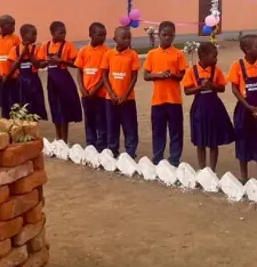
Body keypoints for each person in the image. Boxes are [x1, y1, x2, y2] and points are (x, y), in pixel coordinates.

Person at [228, 35, 257, 185]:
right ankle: (244, 177)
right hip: (244, 109)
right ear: (247, 49)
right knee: (243, 141)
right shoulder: (237, 66)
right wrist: (248, 107)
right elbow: (234, 88)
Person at [183, 42, 234, 171]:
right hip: (199, 107)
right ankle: (202, 169)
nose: (216, 59)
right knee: (200, 140)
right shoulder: (192, 71)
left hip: (214, 107)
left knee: (213, 140)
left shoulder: (216, 71)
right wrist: (200, 87)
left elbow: (222, 88)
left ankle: (212, 169)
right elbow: (187, 91)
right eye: (214, 56)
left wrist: (212, 85)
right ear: (204, 56)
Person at [143, 21, 187, 166]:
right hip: (158, 100)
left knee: (176, 132)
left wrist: (171, 75)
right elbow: (146, 76)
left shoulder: (179, 54)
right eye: (164, 35)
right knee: (158, 131)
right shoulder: (152, 54)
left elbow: (182, 75)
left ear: (174, 36)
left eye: (171, 35)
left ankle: (174, 159)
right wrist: (159, 75)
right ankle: (157, 159)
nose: (167, 38)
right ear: (158, 35)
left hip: (174, 100)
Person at [38, 21, 83, 143]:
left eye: (65, 33)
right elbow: (39, 64)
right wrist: (46, 62)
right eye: (60, 33)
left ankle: (65, 139)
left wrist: (61, 61)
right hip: (52, 81)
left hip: (64, 81)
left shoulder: (68, 46)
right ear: (52, 33)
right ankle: (58, 138)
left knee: (65, 110)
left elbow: (76, 63)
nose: (63, 35)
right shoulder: (45, 46)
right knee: (55, 108)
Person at [102, 26, 140, 158]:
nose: (127, 40)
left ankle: (130, 152)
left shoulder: (133, 55)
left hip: (127, 99)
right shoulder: (108, 54)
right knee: (112, 126)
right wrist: (111, 94)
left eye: (129, 37)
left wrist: (125, 95)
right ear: (115, 39)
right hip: (110, 99)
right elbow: (105, 76)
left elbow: (134, 77)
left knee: (130, 127)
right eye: (123, 38)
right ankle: (113, 150)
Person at [75, 23, 109, 152]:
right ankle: (91, 143)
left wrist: (96, 88)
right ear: (91, 35)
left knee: (101, 119)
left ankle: (102, 146)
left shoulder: (106, 51)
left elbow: (105, 74)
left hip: (100, 94)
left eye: (104, 34)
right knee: (89, 120)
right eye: (100, 35)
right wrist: (82, 89)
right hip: (86, 94)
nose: (103, 37)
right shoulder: (83, 51)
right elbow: (79, 71)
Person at [8, 24, 48, 121]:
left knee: (35, 107)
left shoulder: (36, 49)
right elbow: (13, 67)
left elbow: (38, 65)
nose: (35, 37)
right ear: (23, 35)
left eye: (36, 34)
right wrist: (22, 54)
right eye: (33, 34)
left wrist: (29, 54)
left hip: (34, 81)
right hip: (21, 82)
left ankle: (35, 128)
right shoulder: (15, 49)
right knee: (23, 107)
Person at [0, 14, 21, 118]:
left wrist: (9, 75)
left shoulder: (16, 39)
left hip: (13, 77)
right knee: (3, 103)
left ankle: (15, 125)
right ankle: (5, 123)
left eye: (14, 25)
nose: (13, 28)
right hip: (0, 78)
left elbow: (18, 59)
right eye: (10, 25)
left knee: (14, 103)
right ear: (2, 26)